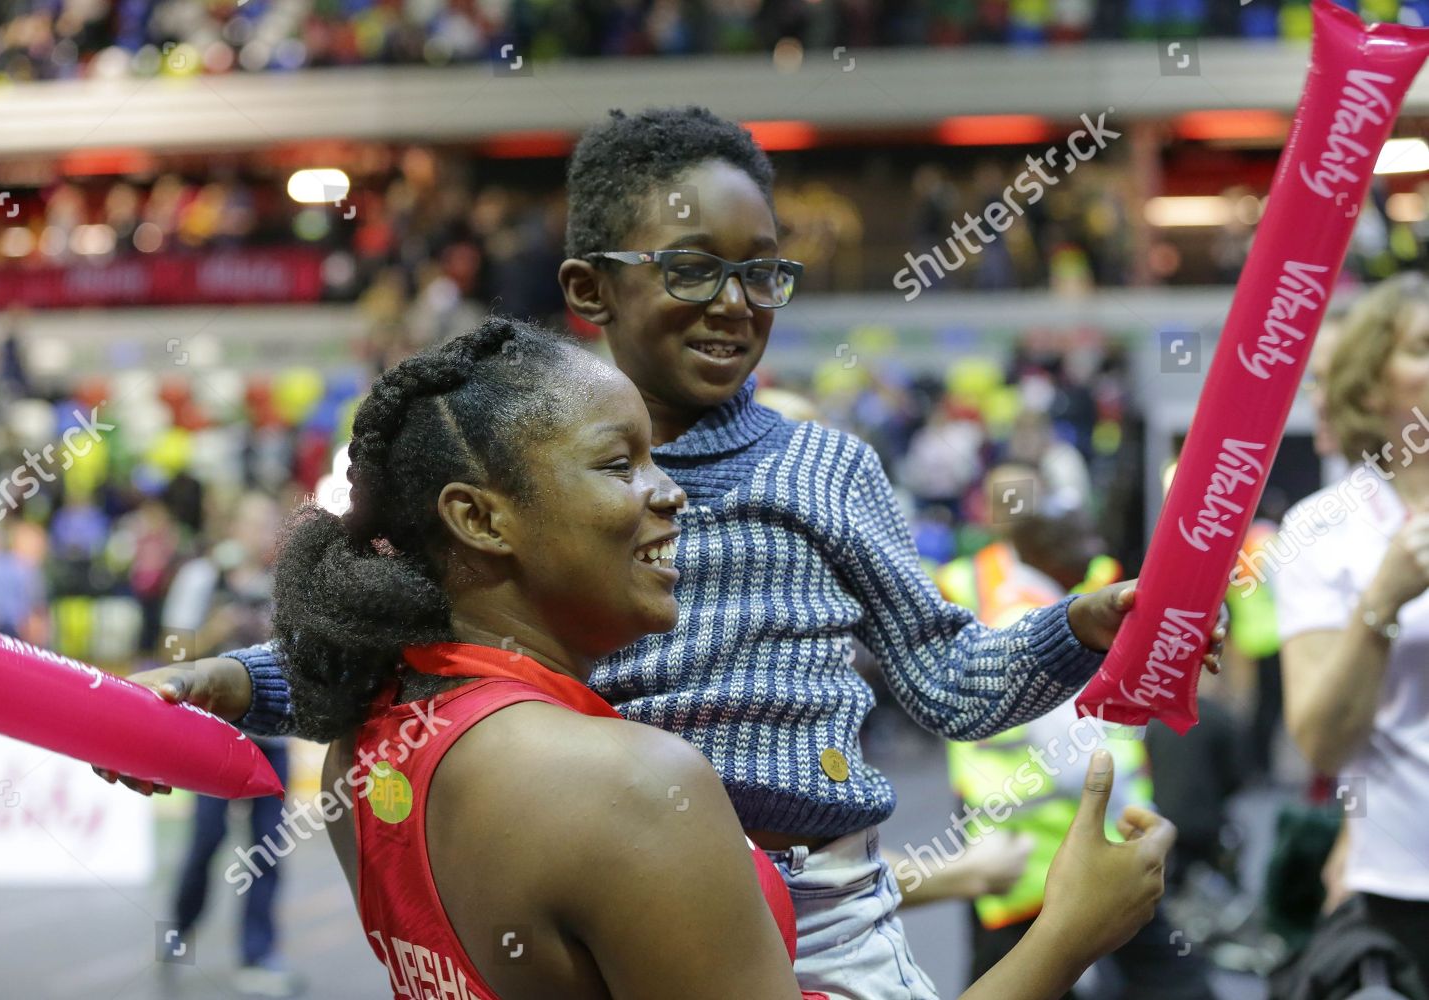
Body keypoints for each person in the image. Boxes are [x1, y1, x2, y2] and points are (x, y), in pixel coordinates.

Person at [112, 107, 1222, 998]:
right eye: (692, 269)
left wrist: (1078, 626)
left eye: (765, 272)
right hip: (615, 896)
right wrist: (233, 683)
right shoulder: (518, 480)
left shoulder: (826, 472)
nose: (736, 302)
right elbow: (411, 649)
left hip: (830, 917)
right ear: (590, 288)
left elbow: (948, 680)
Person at [284, 316, 1177, 998]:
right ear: (479, 517)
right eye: (618, 465)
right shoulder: (633, 786)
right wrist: (1067, 934)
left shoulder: (361, 759)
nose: (670, 492)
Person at [935, 467, 1216, 1000]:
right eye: (1080, 537)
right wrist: (1129, 819)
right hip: (1053, 856)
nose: (1097, 547)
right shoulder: (1029, 617)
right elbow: (1074, 759)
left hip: (1026, 855)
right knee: (1168, 979)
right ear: (1041, 549)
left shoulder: (1052, 597)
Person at [1276, 272, 1429, 982]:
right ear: (1371, 388)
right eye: (1424, 346)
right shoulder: (1322, 529)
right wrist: (1383, 603)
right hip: (1404, 888)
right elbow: (1324, 744)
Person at [156, 492, 302, 998]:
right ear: (231, 526)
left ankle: (258, 955)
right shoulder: (201, 579)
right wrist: (216, 628)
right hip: (212, 739)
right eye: (252, 523)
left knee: (266, 852)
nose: (261, 533)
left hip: (273, 737)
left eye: (269, 524)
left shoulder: (284, 584)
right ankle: (180, 925)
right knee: (205, 841)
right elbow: (171, 653)